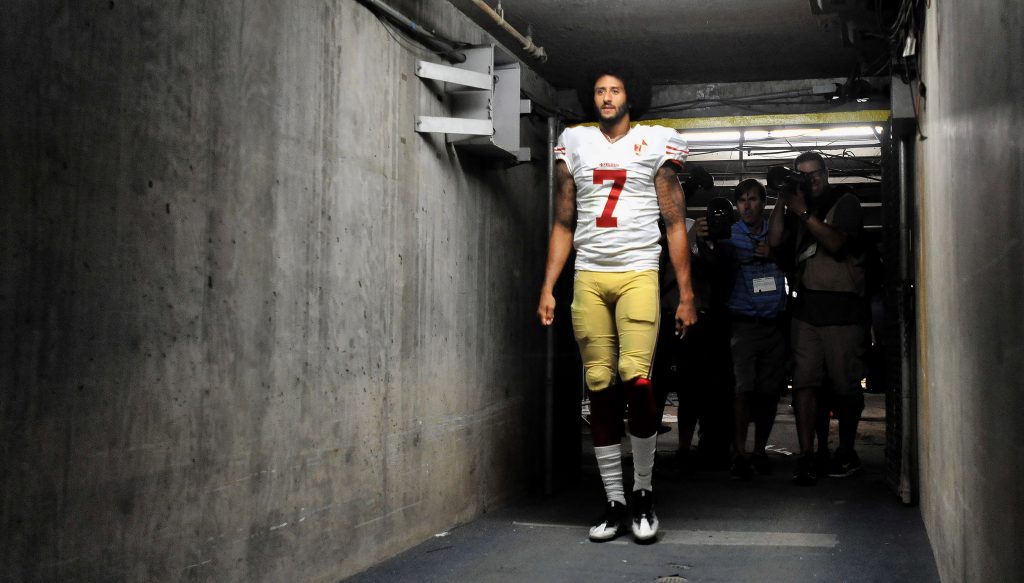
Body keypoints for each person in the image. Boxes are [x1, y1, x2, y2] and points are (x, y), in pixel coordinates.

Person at [537, 60, 697, 542]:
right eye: (601, 91)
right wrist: (548, 286)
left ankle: (644, 491)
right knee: (601, 383)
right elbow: (564, 223)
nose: (607, 97)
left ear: (631, 97)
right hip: (589, 276)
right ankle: (614, 500)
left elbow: (674, 224)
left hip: (637, 273)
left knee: (638, 378)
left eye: (616, 90)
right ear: (594, 99)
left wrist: (687, 294)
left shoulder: (653, 141)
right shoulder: (576, 143)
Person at [767, 152, 868, 486]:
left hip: (843, 312)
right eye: (803, 175)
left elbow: (837, 243)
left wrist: (805, 212)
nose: (810, 180)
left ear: (826, 173)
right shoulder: (796, 206)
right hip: (806, 312)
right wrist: (783, 199)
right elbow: (775, 242)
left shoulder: (846, 201)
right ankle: (809, 454)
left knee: (844, 387)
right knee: (806, 385)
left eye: (815, 174)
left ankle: (847, 451)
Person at [703, 180, 788, 480]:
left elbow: (792, 260)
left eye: (753, 199)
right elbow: (713, 263)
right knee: (743, 390)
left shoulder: (777, 234)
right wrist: (705, 240)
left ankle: (759, 450)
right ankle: (739, 452)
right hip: (743, 325)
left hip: (773, 325)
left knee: (768, 393)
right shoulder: (730, 235)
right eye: (742, 201)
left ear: (763, 202)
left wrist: (773, 254)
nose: (747, 206)